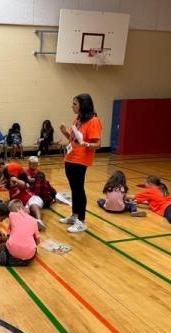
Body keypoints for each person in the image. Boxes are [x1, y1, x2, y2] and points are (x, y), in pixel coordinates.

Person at [59, 93, 102, 233]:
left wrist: (86, 144)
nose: (72, 106)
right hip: (70, 157)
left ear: (83, 105)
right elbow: (73, 139)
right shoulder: (78, 119)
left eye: (75, 104)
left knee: (78, 189)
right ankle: (74, 215)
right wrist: (65, 132)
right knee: (73, 189)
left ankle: (81, 221)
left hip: (80, 160)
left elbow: (97, 143)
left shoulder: (93, 121)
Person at [0, 199, 40, 267]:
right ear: (22, 207)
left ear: (11, 211)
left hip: (12, 248)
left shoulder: (11, 215)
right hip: (27, 251)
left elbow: (10, 234)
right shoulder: (34, 220)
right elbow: (38, 241)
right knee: (34, 250)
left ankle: (7, 255)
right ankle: (23, 261)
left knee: (4, 245)